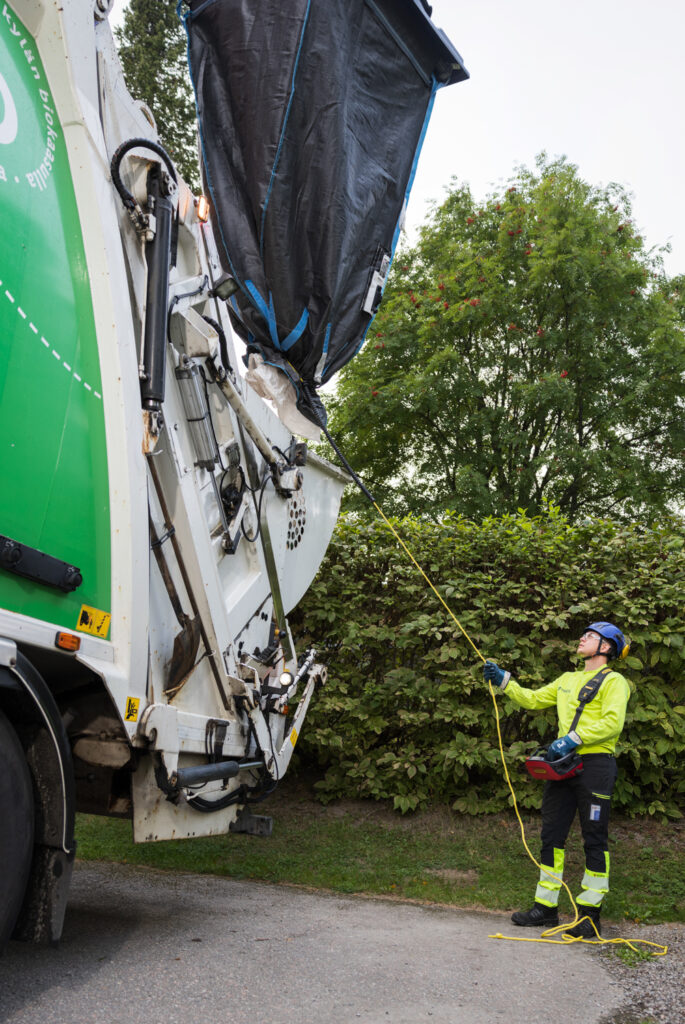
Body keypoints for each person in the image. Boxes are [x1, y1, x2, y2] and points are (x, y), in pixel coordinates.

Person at [483, 621, 631, 938]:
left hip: (595, 765)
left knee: (595, 838)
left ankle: (590, 917)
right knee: (551, 836)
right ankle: (546, 909)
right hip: (564, 766)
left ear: (607, 648)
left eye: (590, 636)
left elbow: (612, 724)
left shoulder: (615, 682)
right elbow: (533, 699)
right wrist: (503, 681)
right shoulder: (567, 679)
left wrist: (573, 738)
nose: (582, 638)